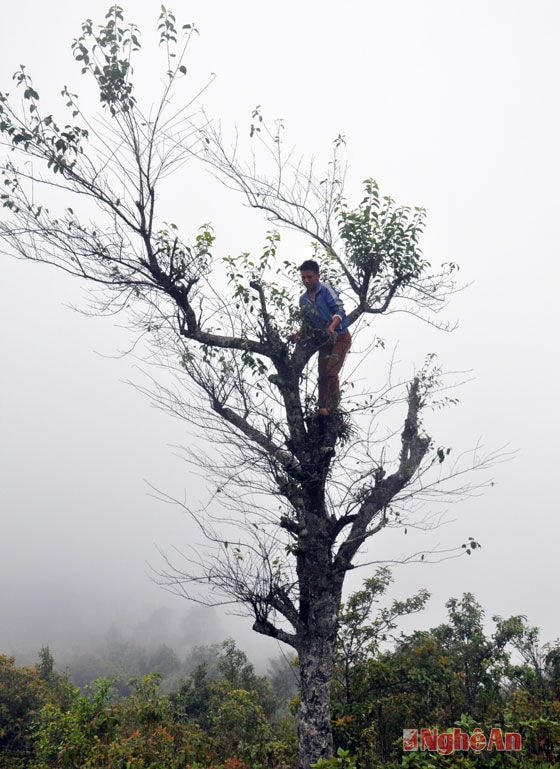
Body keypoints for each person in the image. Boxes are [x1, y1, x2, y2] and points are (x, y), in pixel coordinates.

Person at [295, 259, 352, 416]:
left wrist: (332, 327)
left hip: (340, 337)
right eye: (303, 277)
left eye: (309, 277)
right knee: (322, 374)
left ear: (317, 276)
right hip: (324, 342)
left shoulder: (326, 290)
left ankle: (332, 408)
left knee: (331, 372)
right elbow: (307, 323)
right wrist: (299, 335)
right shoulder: (303, 300)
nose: (306, 280)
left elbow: (340, 310)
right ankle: (322, 408)